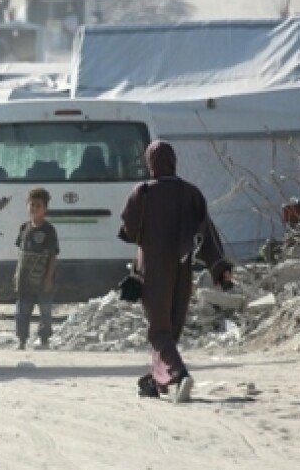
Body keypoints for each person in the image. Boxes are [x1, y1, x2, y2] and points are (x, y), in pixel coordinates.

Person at [119, 141, 232, 404]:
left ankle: (180, 376)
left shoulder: (143, 192)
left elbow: (129, 231)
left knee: (159, 331)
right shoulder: (190, 193)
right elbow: (207, 234)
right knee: (170, 331)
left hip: (152, 271)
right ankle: (156, 380)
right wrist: (219, 269)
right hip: (182, 271)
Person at [14, 188, 59, 350]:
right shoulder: (23, 228)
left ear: (45, 209)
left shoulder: (49, 231)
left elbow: (53, 256)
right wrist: (17, 275)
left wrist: (48, 278)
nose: (34, 209)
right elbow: (20, 253)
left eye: (38, 205)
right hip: (25, 279)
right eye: (31, 205)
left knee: (45, 310)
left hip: (42, 277)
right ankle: (21, 339)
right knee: (22, 310)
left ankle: (44, 339)